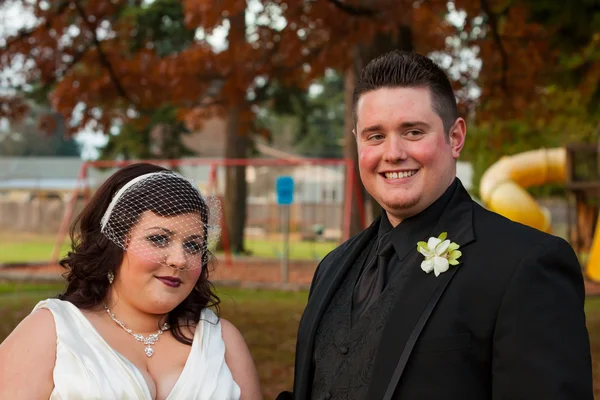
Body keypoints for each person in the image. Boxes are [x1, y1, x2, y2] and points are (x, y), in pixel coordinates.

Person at [279, 50, 593, 399]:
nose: (393, 152)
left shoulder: (526, 265)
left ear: (455, 137)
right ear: (357, 142)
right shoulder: (332, 267)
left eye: (413, 131)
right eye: (375, 136)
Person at [0, 163, 262, 400]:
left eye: (193, 245)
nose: (179, 260)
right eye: (158, 239)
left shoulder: (223, 339)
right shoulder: (52, 332)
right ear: (113, 243)